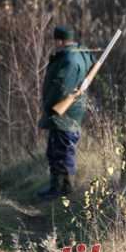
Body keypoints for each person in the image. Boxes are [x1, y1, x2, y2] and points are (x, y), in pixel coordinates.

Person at [37, 26, 95, 199]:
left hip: (65, 114)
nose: (54, 45)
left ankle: (64, 191)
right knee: (55, 151)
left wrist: (49, 106)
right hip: (67, 112)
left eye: (55, 41)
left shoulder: (69, 60)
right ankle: (56, 187)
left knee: (63, 153)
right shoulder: (79, 54)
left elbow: (61, 89)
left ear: (60, 41)